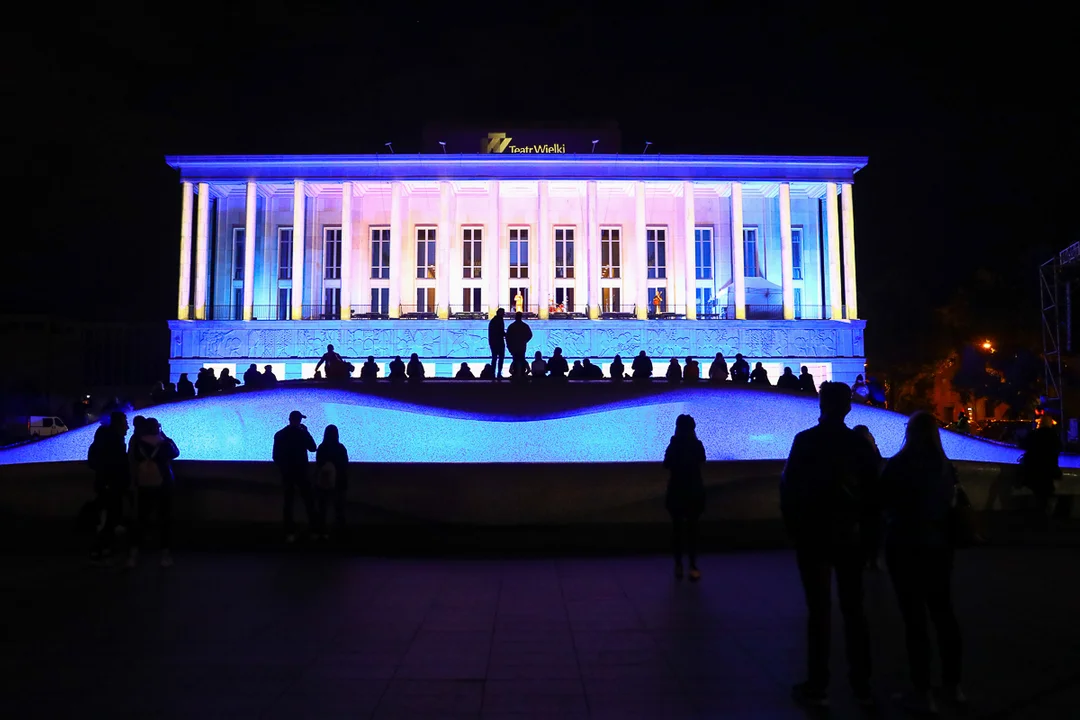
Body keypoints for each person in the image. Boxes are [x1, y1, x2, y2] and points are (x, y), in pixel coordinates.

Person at [780, 382, 879, 709]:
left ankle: (818, 684)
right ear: (848, 407)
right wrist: (869, 538)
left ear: (821, 404)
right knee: (855, 611)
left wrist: (794, 529)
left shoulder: (806, 441)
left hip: (813, 535)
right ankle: (862, 684)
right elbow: (874, 496)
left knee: (818, 612)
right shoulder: (859, 445)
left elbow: (788, 489)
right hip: (849, 535)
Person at [879, 412, 966, 714]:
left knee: (914, 620)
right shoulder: (945, 468)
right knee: (944, 614)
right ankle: (953, 686)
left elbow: (882, 501)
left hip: (904, 546)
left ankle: (923, 691)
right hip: (939, 547)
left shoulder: (898, 465)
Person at [126, 417, 180, 568]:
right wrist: (164, 436)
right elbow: (176, 452)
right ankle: (165, 554)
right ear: (158, 428)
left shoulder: (137, 443)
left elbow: (132, 459)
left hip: (143, 484)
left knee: (141, 518)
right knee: (165, 518)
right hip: (164, 484)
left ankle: (134, 554)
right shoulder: (165, 444)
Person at [663, 414, 707, 581]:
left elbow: (666, 464)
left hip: (676, 491)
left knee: (677, 529)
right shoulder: (697, 445)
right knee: (693, 529)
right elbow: (702, 460)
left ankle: (678, 565)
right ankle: (693, 565)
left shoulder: (674, 445)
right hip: (694, 490)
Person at [87, 411, 130, 565]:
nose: (128, 426)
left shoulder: (103, 440)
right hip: (112, 484)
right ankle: (100, 548)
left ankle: (103, 548)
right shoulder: (114, 442)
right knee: (110, 517)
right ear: (118, 423)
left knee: (107, 517)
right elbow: (117, 463)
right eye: (125, 422)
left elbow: (93, 462)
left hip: (105, 483)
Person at [272, 410, 319, 543]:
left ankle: (289, 533)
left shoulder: (280, 434)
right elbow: (313, 447)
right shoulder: (302, 433)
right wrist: (306, 432)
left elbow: (275, 456)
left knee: (288, 503)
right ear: (299, 420)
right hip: (302, 473)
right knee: (309, 502)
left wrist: (284, 469)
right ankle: (315, 531)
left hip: (287, 474)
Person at [1019, 417, 1062, 529]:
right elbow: (1058, 449)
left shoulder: (1034, 435)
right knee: (1046, 491)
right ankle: (1045, 517)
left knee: (1038, 492)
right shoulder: (1054, 436)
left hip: (1035, 467)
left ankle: (1040, 518)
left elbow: (1024, 445)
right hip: (1048, 468)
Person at [853, 424, 886, 570]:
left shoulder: (854, 452)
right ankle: (872, 557)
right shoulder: (870, 452)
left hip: (862, 497)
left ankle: (865, 557)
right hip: (872, 496)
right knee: (872, 526)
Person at [315, 424, 349, 538]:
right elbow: (345, 464)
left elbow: (318, 463)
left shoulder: (322, 447)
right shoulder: (341, 448)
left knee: (322, 509)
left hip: (324, 483)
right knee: (339, 509)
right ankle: (340, 533)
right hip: (340, 483)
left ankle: (322, 532)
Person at [505, 311, 534, 381]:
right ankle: (522, 373)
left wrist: (509, 347)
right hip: (521, 346)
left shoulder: (512, 326)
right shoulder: (524, 326)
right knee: (521, 359)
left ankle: (516, 373)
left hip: (515, 347)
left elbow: (507, 337)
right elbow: (530, 335)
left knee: (516, 359)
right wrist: (525, 340)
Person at [488, 308, 507, 381]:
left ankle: (494, 373)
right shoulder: (498, 320)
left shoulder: (494, 320)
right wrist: (506, 335)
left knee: (495, 358)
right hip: (498, 342)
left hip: (494, 342)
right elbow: (500, 331)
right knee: (500, 358)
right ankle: (498, 373)